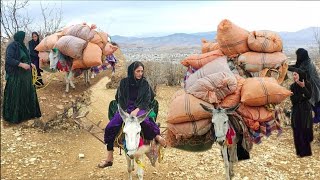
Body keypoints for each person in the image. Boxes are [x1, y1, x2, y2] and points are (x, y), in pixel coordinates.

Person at [98, 61, 166, 168]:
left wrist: (137, 109)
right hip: (125, 108)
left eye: (142, 71)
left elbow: (147, 100)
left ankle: (157, 136)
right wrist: (125, 111)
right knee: (111, 127)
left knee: (146, 122)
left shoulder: (145, 84)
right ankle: (109, 158)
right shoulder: (124, 82)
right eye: (138, 71)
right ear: (132, 71)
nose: (140, 73)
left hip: (140, 108)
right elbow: (119, 98)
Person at [3, 31, 42, 123]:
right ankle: (16, 117)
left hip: (26, 76)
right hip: (17, 75)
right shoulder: (12, 46)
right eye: (23, 37)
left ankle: (28, 114)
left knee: (26, 93)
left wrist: (30, 63)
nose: (24, 39)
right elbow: (9, 59)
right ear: (19, 37)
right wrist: (21, 64)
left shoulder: (22, 46)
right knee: (18, 95)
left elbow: (26, 57)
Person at [289, 48, 320, 123]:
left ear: (301, 56)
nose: (297, 57)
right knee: (311, 100)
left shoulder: (308, 64)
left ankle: (318, 117)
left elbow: (300, 71)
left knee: (315, 101)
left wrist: (288, 68)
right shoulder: (304, 61)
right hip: (309, 84)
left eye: (298, 55)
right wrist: (287, 67)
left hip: (314, 85)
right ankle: (316, 116)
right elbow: (297, 66)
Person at [289, 68, 313, 157]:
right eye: (293, 75)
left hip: (305, 110)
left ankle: (306, 152)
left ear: (300, 75)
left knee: (304, 129)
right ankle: (299, 152)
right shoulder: (292, 86)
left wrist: (303, 88)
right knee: (296, 129)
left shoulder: (307, 84)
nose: (294, 76)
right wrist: (302, 97)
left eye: (295, 74)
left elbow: (309, 96)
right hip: (296, 110)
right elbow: (293, 100)